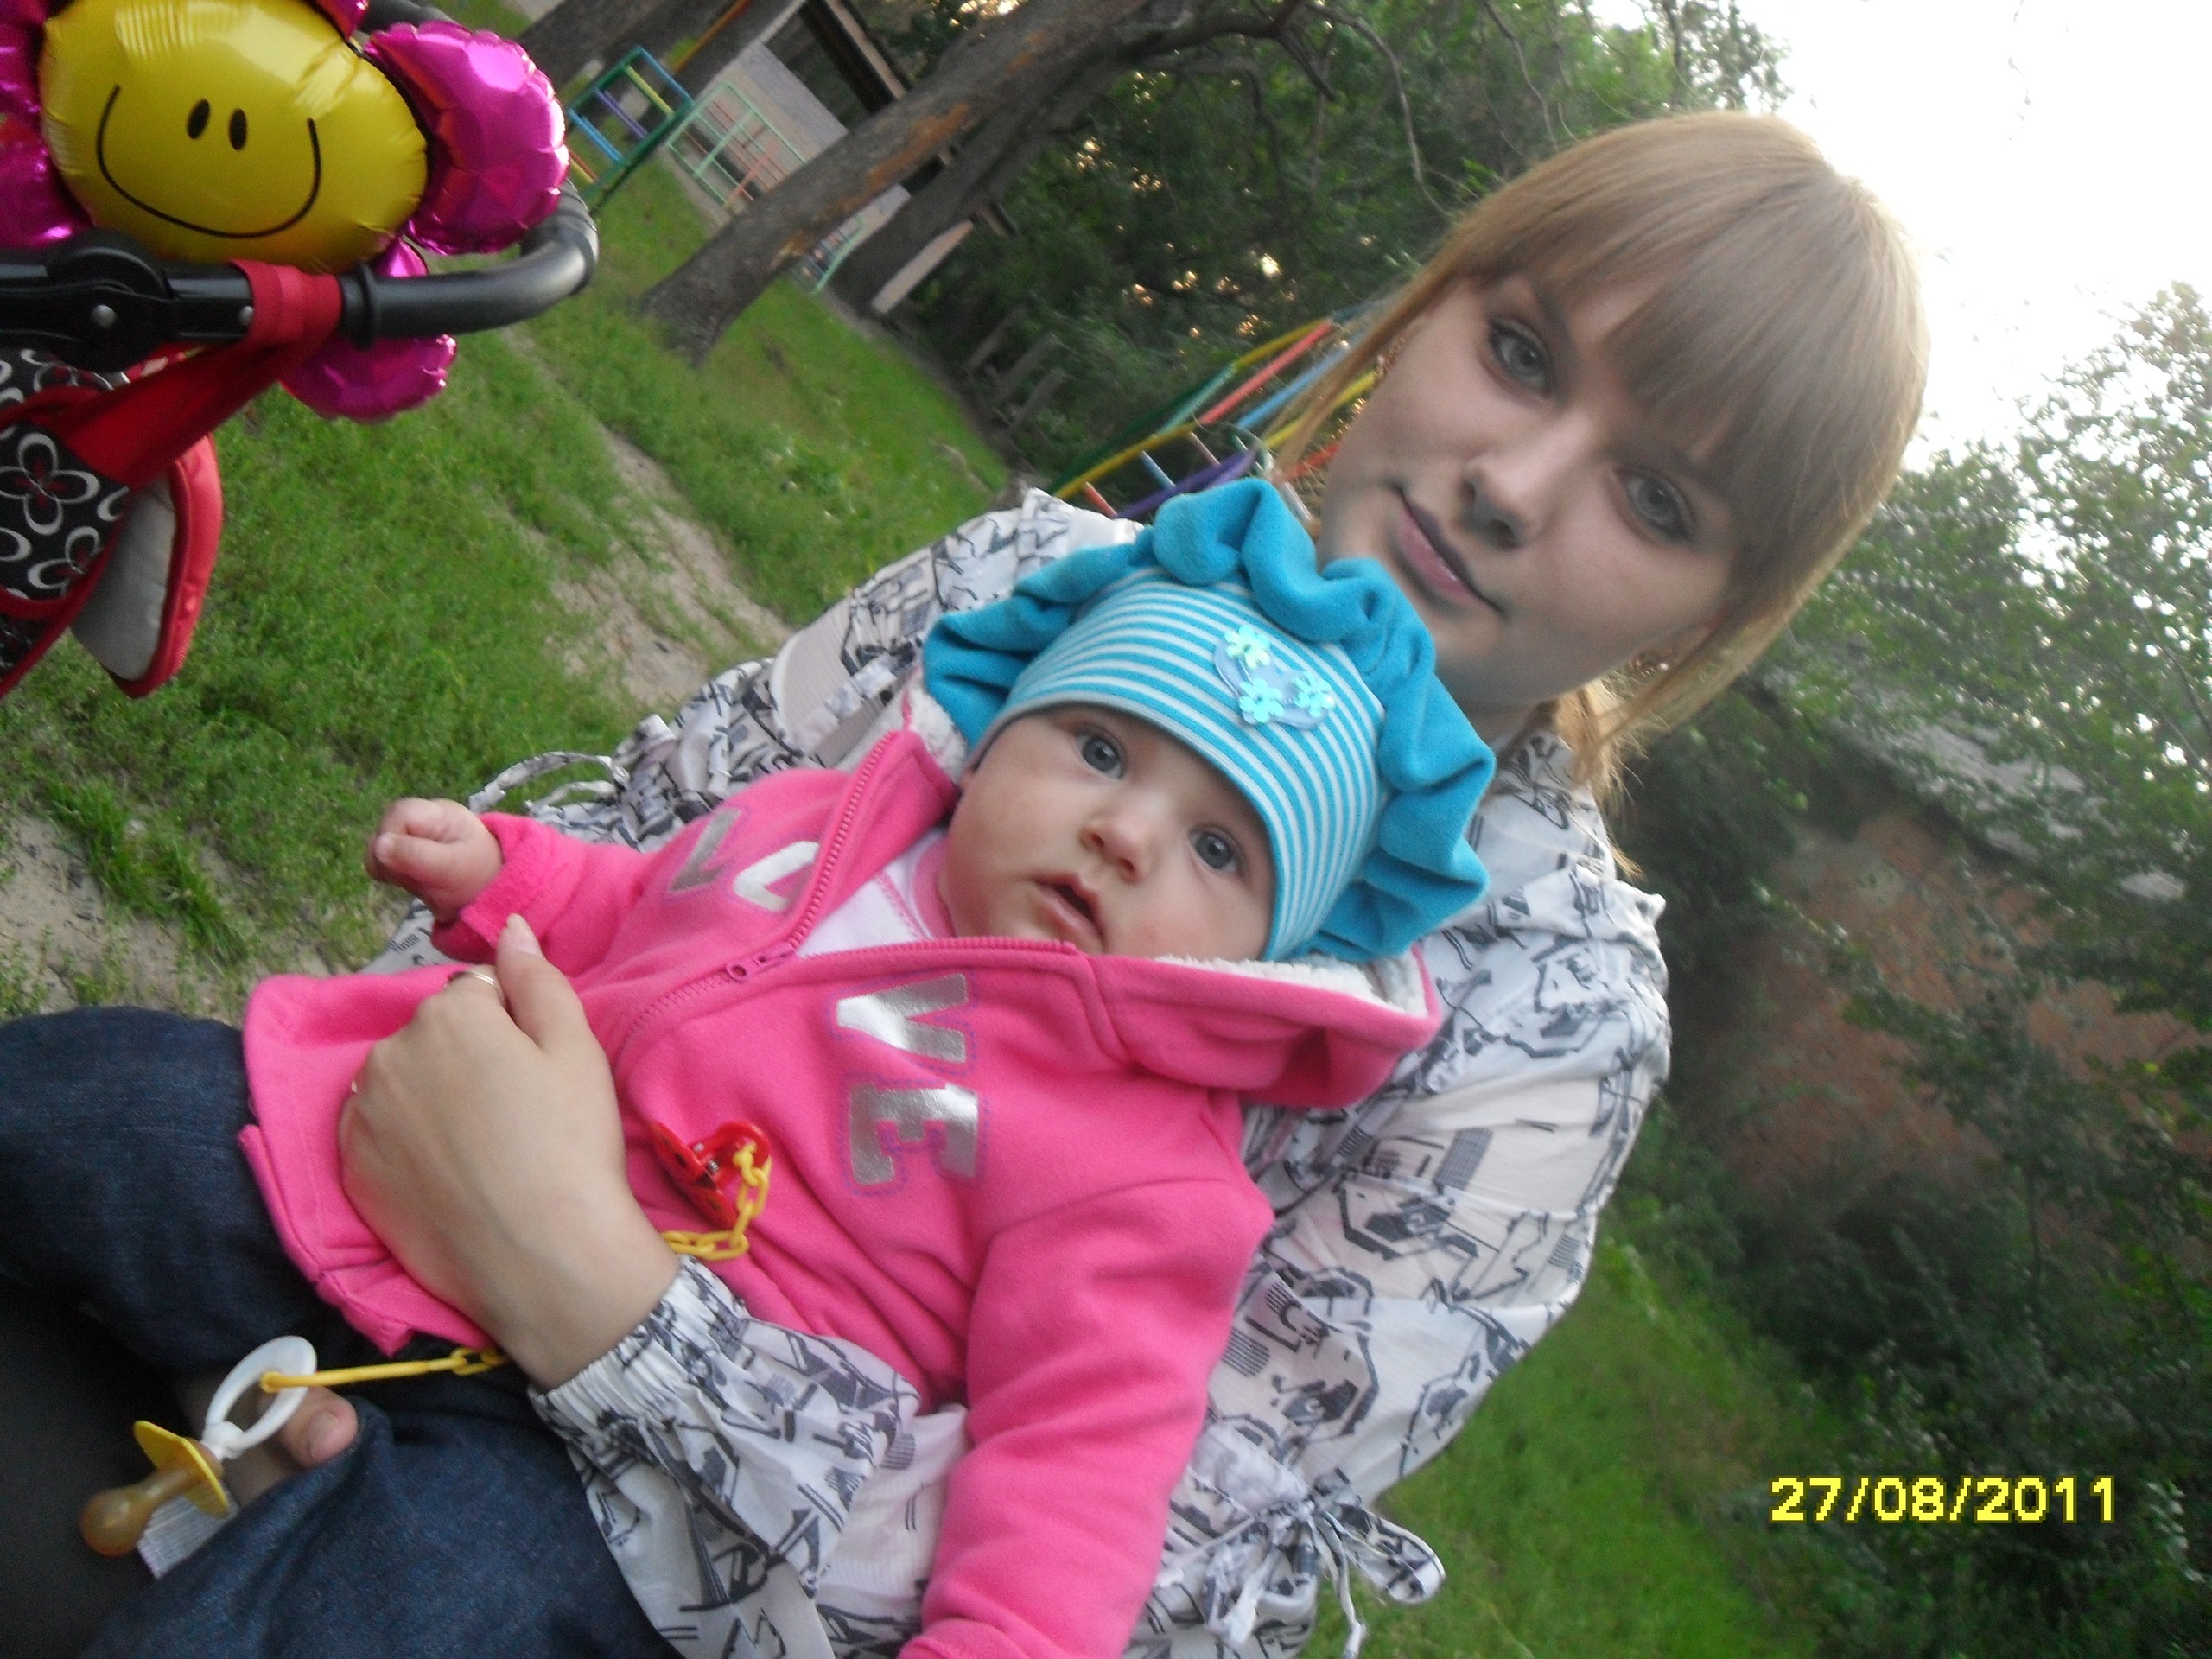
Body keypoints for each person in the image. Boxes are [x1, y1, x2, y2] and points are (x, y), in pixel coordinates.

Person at [8, 109, 1926, 1656]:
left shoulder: (1546, 1025)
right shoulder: (1040, 581)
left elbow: (1139, 1572)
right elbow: (661, 853)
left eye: (1654, 498)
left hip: (640, 1573)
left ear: (1710, 618)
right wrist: (404, 1212)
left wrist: (586, 1303)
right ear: (1423, 308)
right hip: (367, 1222)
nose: (1514, 480)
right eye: (1518, 351)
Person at [0, 484, 1496, 1657]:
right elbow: (646, 909)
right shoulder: (830, 827)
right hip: (409, 1208)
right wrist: (513, 881)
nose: (1126, 833)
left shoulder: (1148, 1174)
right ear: (1001, 730)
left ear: (1261, 957)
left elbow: (1081, 1464)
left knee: (408, 1609)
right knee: (120, 1102)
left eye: (1220, 849)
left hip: (607, 1481)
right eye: (1101, 750)